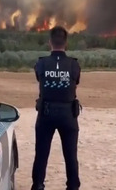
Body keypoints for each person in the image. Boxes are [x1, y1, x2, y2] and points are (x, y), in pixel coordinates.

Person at [31, 26, 81, 190]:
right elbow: (76, 81)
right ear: (66, 43)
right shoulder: (74, 65)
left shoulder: (41, 63)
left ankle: (38, 185)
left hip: (46, 113)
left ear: (49, 43)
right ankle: (72, 186)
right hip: (68, 115)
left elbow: (39, 77)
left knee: (42, 154)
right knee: (70, 155)